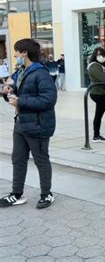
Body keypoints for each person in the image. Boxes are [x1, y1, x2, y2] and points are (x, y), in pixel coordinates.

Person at [0, 38, 57, 209]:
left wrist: (21, 102)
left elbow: (48, 100)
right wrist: (7, 91)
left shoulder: (41, 73)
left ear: (24, 53)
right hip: (22, 123)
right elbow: (18, 90)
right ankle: (16, 194)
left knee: (41, 160)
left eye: (17, 51)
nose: (15, 55)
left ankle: (47, 194)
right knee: (18, 159)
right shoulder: (22, 71)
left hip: (38, 125)